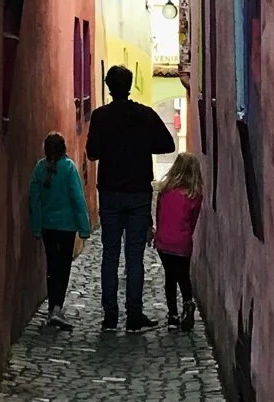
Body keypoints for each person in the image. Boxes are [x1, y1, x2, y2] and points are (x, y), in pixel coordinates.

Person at [84, 65, 173, 332]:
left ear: (109, 87)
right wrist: (143, 144)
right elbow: (167, 144)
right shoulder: (144, 116)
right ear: (130, 85)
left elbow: (91, 153)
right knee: (134, 256)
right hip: (137, 194)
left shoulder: (100, 117)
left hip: (110, 192)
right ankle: (134, 315)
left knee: (110, 255)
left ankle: (110, 316)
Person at [28, 132, 90, 331]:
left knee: (52, 265)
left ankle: (52, 308)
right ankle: (56, 307)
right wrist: (84, 227)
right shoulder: (69, 168)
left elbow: (34, 200)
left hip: (48, 226)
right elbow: (77, 198)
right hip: (67, 227)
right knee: (63, 267)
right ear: (63, 148)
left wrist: (37, 227)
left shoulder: (39, 169)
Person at [153, 152, 204, 331]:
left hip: (164, 241)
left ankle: (173, 316)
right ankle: (188, 303)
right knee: (183, 275)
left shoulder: (165, 191)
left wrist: (157, 234)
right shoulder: (194, 195)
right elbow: (193, 220)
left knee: (170, 277)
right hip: (182, 241)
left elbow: (159, 215)